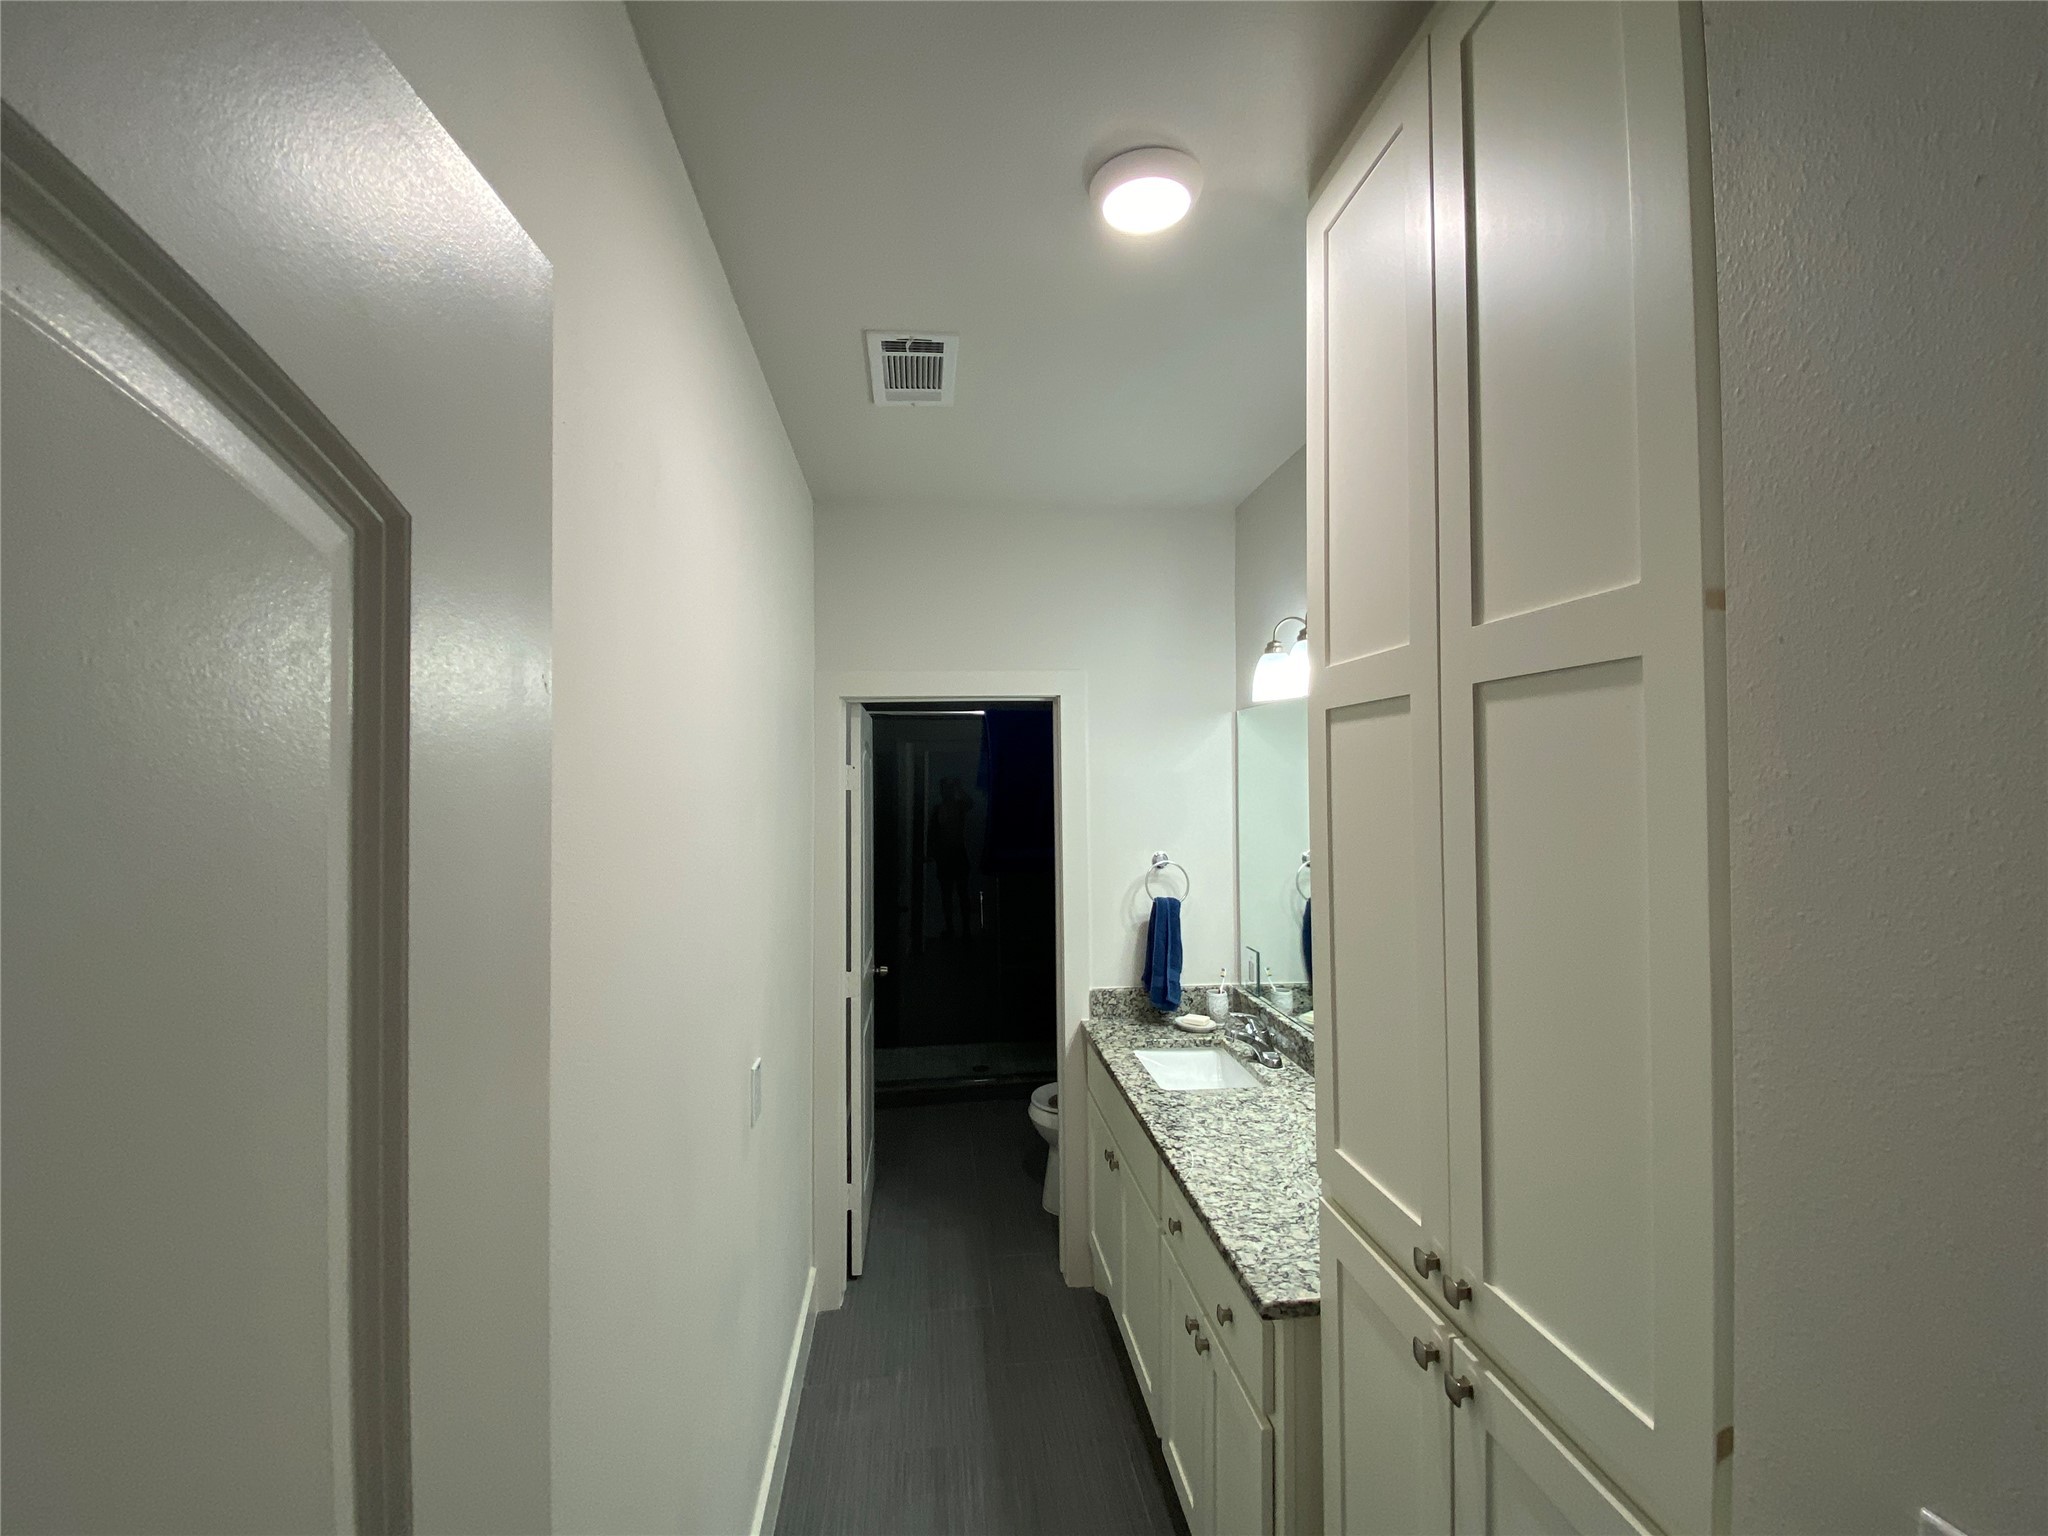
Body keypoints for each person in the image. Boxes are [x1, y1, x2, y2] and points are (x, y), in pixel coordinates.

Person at [927, 777, 974, 940]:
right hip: (948, 856)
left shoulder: (958, 806)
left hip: (955, 854)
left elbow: (970, 803)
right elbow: (932, 833)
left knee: (960, 894)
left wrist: (959, 788)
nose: (947, 792)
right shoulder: (940, 809)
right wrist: (932, 853)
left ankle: (963, 929)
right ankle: (954, 928)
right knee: (949, 895)